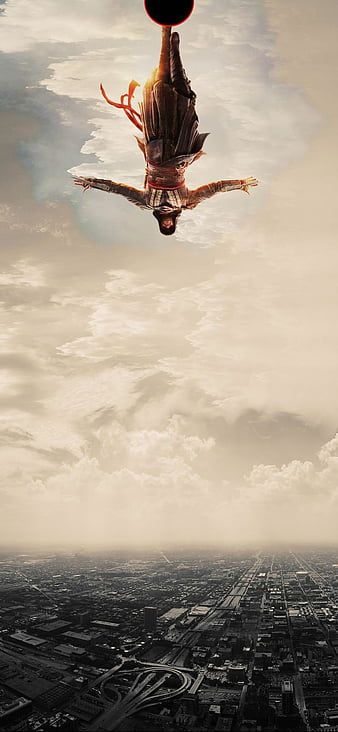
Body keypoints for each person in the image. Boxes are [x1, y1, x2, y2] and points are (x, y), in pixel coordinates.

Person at [74, 26, 258, 235]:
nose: (167, 224)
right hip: (180, 147)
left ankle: (165, 35)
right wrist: (239, 184)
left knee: (158, 86)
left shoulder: (145, 202)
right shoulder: (187, 201)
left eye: (165, 227)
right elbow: (213, 189)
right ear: (174, 223)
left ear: (160, 223)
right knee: (183, 97)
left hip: (156, 145)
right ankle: (176, 53)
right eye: (170, 227)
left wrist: (94, 183)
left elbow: (119, 189)